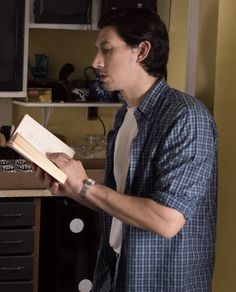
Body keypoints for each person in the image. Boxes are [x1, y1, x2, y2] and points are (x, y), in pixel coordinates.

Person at [34, 7, 218, 292]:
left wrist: (85, 185)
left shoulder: (186, 117)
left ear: (141, 51)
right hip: (118, 272)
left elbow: (167, 220)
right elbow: (122, 202)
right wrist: (72, 188)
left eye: (106, 50)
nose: (95, 62)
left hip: (162, 283)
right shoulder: (125, 116)